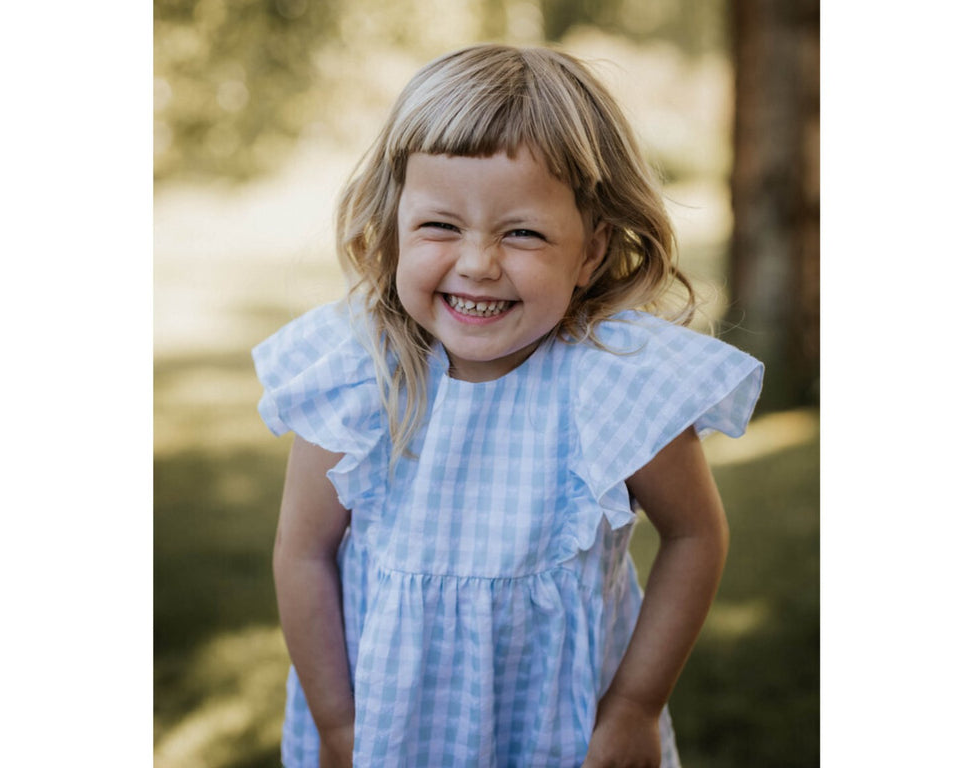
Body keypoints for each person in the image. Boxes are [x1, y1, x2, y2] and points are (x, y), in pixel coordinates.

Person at [253, 43, 764, 768]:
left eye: (522, 232)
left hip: (559, 730)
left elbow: (695, 536)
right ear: (394, 224)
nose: (477, 263)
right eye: (440, 225)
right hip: (384, 725)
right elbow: (302, 554)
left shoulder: (612, 381)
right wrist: (338, 726)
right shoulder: (357, 374)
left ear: (591, 251)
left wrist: (635, 707)